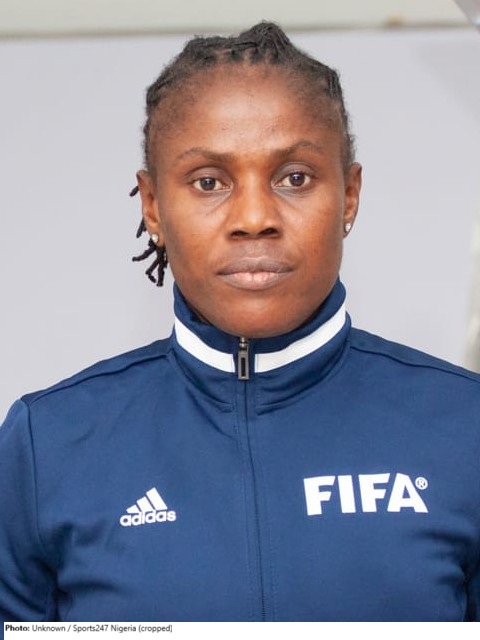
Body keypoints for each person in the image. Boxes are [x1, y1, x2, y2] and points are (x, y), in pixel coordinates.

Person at [1, 21, 480, 624]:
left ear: (349, 194)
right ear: (153, 205)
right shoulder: (47, 444)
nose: (254, 217)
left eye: (294, 178)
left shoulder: (466, 426)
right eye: (209, 182)